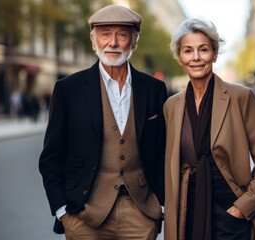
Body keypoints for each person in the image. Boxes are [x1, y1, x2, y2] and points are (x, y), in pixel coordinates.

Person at [39, 4, 167, 239]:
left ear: (134, 41)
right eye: (105, 34)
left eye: (122, 34)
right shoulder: (69, 89)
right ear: (93, 41)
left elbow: (161, 151)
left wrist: (160, 204)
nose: (113, 42)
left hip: (140, 212)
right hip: (84, 214)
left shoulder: (154, 89)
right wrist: (61, 211)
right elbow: (51, 156)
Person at [163, 18, 255, 240]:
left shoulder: (241, 97)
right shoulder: (171, 106)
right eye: (188, 51)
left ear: (214, 54)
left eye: (203, 50)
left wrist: (243, 207)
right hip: (187, 213)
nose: (196, 57)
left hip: (230, 213)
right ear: (179, 58)